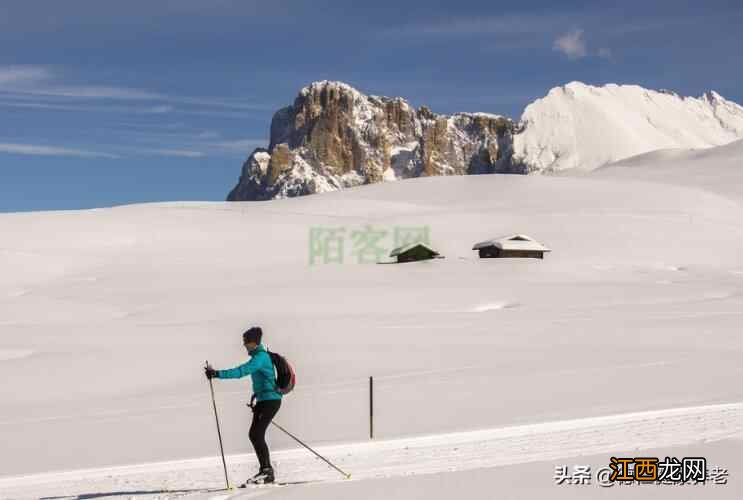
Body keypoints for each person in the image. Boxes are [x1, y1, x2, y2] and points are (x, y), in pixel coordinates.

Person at [205, 326, 282, 485]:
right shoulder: (259, 356)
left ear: (253, 342)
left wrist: (217, 374)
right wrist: (256, 397)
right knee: (255, 434)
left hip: (270, 400)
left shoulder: (260, 357)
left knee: (256, 434)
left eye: (246, 342)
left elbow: (242, 371)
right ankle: (266, 471)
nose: (244, 345)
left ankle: (267, 471)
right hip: (264, 400)